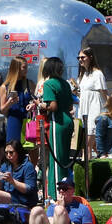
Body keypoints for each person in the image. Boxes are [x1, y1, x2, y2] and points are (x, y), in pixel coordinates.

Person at [38, 56, 75, 196]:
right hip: (68, 120)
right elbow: (70, 104)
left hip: (57, 122)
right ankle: (66, 190)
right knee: (64, 158)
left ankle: (55, 193)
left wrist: (40, 104)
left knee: (56, 160)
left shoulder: (49, 84)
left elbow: (52, 106)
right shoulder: (65, 83)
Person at [0, 138, 38, 209]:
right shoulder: (5, 165)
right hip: (10, 197)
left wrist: (12, 181)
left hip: (24, 200)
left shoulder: (28, 166)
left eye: (11, 152)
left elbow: (29, 189)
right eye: (6, 153)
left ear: (18, 152)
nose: (8, 155)